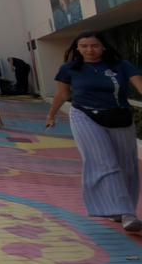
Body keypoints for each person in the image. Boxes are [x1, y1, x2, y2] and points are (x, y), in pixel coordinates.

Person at [45, 31, 142, 232]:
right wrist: (51, 115)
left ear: (103, 47)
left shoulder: (122, 66)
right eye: (84, 46)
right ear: (77, 49)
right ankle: (127, 213)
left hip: (119, 117)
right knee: (104, 162)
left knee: (127, 166)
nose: (90, 50)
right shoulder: (69, 69)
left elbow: (139, 86)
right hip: (85, 116)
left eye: (95, 45)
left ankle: (118, 209)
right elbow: (62, 94)